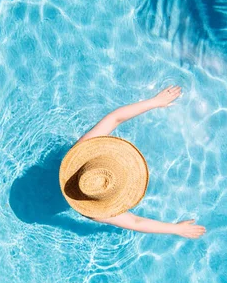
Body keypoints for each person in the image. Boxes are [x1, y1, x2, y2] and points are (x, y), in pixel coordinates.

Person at [59, 85, 206, 239]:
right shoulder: (95, 212)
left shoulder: (81, 151)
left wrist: (154, 102)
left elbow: (136, 222)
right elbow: (135, 222)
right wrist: (176, 229)